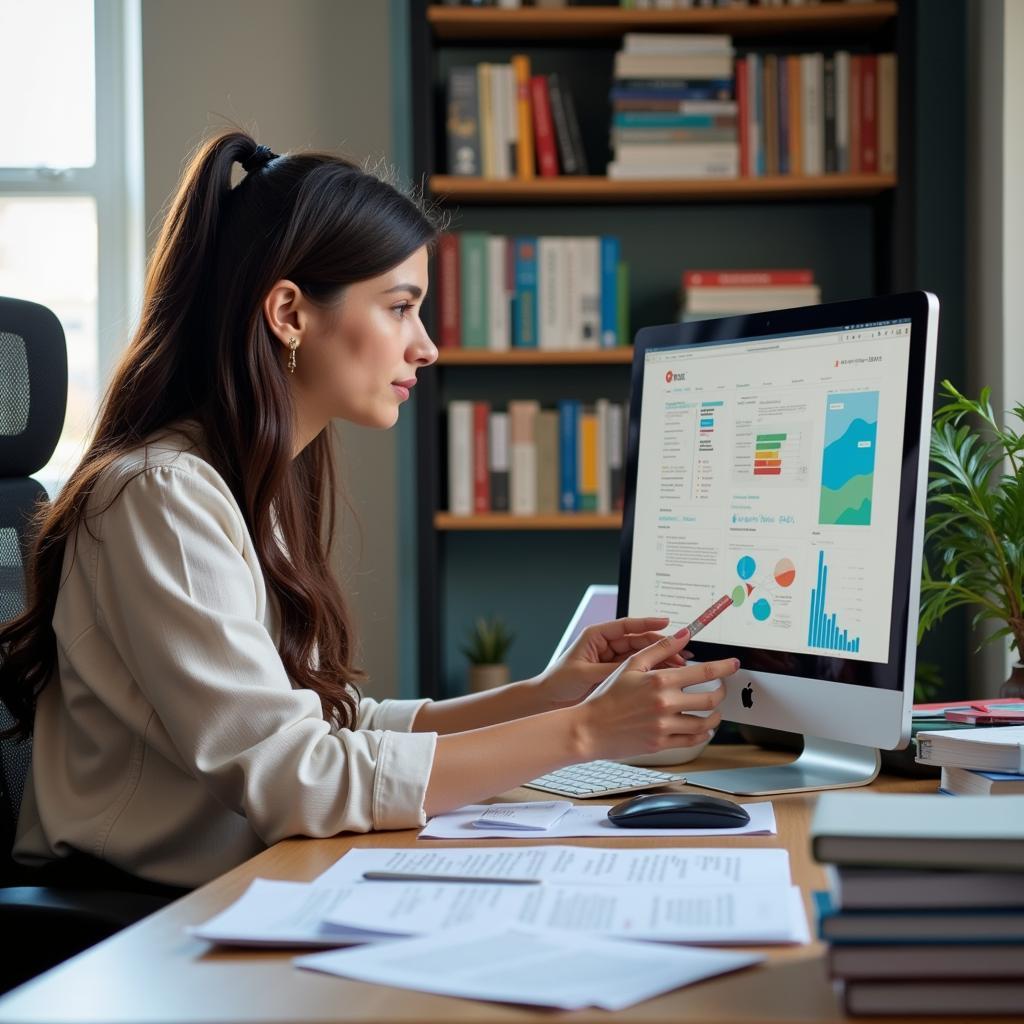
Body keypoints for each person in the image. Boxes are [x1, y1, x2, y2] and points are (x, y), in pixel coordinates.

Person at [0, 130, 734, 892]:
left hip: (247, 888)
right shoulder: (159, 496)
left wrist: (549, 695)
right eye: (399, 308)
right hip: (144, 928)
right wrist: (584, 732)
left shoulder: (245, 483)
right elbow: (297, 777)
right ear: (289, 312)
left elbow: (331, 727)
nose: (426, 348)